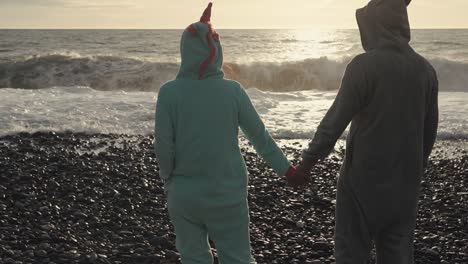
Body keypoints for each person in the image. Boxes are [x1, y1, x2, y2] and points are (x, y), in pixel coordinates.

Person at [287, 0, 439, 263]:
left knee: (351, 253)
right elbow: (429, 132)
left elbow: (333, 123)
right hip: (404, 186)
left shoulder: (364, 66)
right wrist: (416, 170)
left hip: (361, 183)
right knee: (398, 256)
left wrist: (306, 163)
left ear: (374, 25)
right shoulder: (425, 71)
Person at [154, 3, 296, 264]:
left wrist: (169, 180)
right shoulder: (232, 91)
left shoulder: (169, 92)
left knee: (194, 258)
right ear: (217, 50)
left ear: (184, 51)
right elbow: (259, 137)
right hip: (227, 194)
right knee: (238, 258)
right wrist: (286, 170)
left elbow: (164, 144)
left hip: (184, 195)